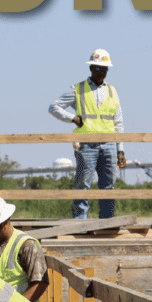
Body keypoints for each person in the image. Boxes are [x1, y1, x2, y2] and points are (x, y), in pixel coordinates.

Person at [49, 48, 127, 219]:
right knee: (83, 185)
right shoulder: (78, 89)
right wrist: (72, 118)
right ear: (91, 68)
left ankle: (107, 222)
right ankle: (79, 223)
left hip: (109, 145)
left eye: (105, 69)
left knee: (108, 186)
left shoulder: (113, 91)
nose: (101, 72)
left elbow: (118, 122)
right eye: (98, 68)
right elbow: (53, 107)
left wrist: (120, 149)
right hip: (86, 145)